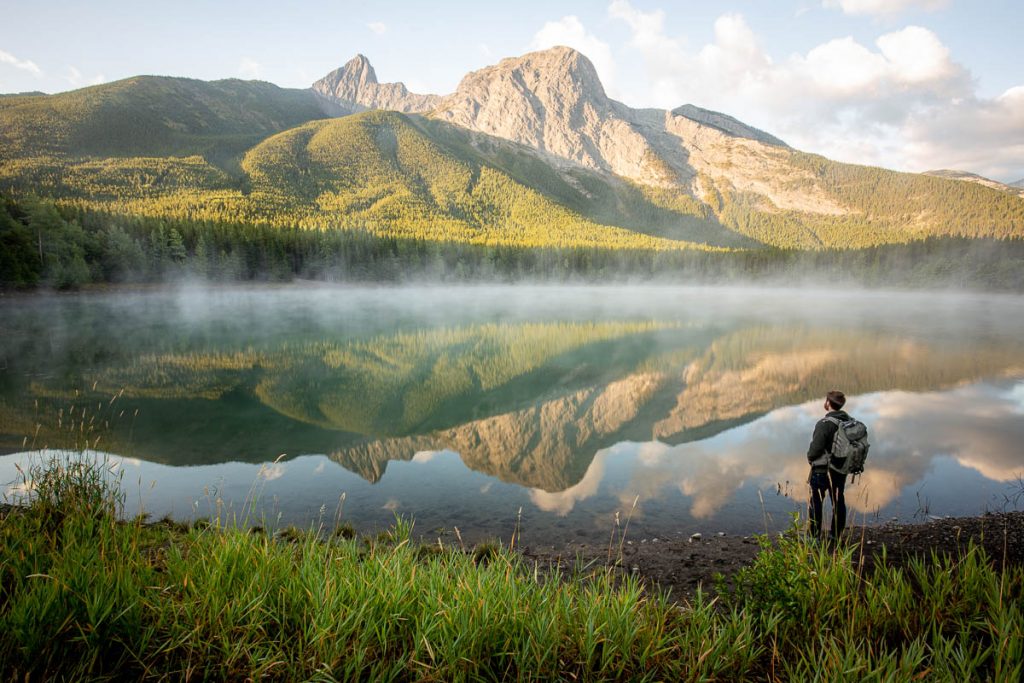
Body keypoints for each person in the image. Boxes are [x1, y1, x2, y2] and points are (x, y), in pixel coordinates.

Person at [806, 390, 850, 543]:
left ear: (828, 404)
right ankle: (835, 536)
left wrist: (809, 457)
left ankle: (814, 537)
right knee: (838, 501)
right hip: (840, 469)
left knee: (816, 502)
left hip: (822, 470)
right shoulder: (848, 421)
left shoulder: (824, 424)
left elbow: (815, 450)